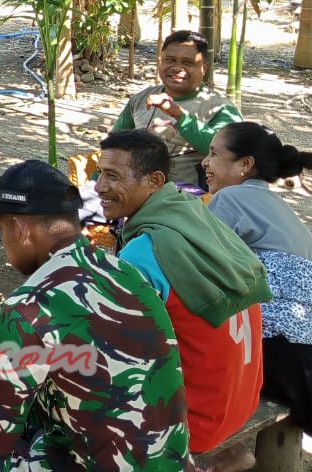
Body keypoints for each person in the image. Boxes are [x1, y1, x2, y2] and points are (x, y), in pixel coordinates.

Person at [0, 159, 190, 472]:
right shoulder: (125, 272)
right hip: (166, 460)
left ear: (22, 229)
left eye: (3, 232)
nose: (6, 246)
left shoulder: (27, 306)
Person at [95, 129, 269, 463]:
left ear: (154, 181)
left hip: (198, 421)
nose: (99, 187)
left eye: (113, 176)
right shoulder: (196, 214)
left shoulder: (143, 252)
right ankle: (231, 457)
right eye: (99, 173)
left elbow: (118, 354)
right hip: (241, 400)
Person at [203, 122, 312, 443]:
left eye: (214, 154)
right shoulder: (280, 207)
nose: (205, 162)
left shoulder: (228, 198)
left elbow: (200, 268)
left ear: (245, 164)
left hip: (286, 358)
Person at [111, 30, 241, 187]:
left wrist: (179, 116)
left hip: (190, 202)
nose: (177, 68)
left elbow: (228, 156)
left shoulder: (221, 109)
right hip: (134, 195)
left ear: (204, 68)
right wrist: (95, 183)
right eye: (170, 60)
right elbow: (113, 146)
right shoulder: (140, 100)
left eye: (187, 63)